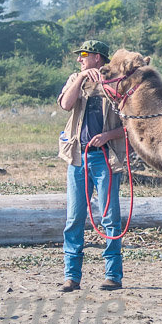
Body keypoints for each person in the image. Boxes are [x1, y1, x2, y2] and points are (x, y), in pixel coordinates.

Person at [57, 40, 125, 292]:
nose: (80, 59)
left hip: (105, 158)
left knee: (110, 218)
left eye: (84, 55)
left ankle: (113, 276)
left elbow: (131, 125)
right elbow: (65, 104)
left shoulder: (117, 81)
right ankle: (71, 277)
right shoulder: (76, 79)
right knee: (74, 218)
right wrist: (81, 77)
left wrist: (108, 136)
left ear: (98, 57)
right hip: (77, 157)